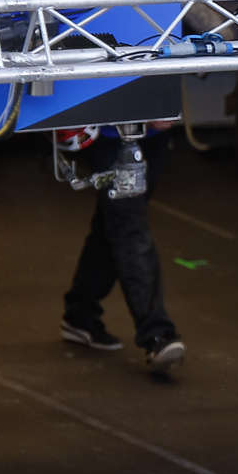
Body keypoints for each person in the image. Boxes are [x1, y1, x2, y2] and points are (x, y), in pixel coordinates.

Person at [56, 122, 186, 372]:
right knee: (128, 224)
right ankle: (157, 335)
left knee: (115, 220)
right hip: (105, 126)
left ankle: (80, 311)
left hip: (152, 123)